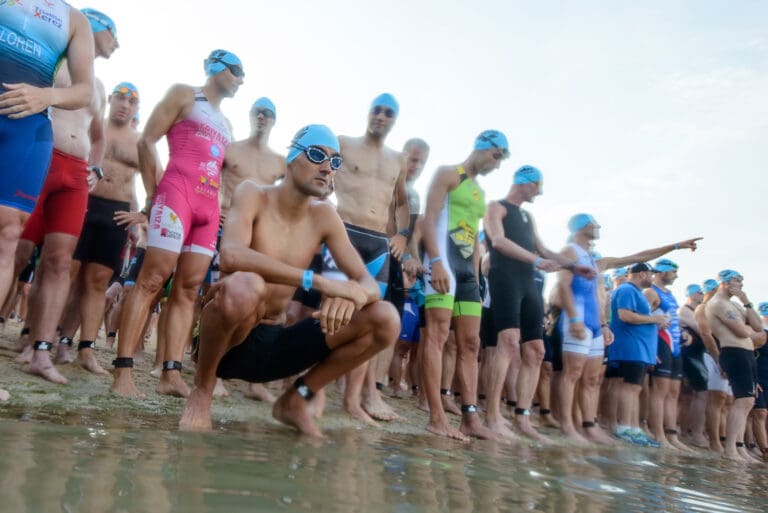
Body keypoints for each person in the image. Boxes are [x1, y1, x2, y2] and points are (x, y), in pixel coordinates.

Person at [179, 124, 400, 436]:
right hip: (227, 340)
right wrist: (321, 283)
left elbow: (367, 282)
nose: (327, 168)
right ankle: (202, 391)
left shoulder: (324, 215)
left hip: (274, 342)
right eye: (316, 155)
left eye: (335, 162)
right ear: (291, 158)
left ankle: (295, 399)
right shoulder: (253, 193)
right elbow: (231, 255)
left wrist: (354, 296)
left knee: (386, 318)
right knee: (247, 286)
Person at [111, 49, 243, 397]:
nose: (241, 79)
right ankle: (122, 373)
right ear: (215, 67)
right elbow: (146, 141)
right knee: (152, 279)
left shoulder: (227, 124)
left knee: (188, 290)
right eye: (236, 70)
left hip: (207, 207)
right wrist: (153, 194)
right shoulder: (184, 94)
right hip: (177, 193)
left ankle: (171, 375)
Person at [14, 8, 118, 384]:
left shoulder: (99, 87)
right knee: (17, 251)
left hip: (75, 173)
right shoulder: (52, 59)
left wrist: (97, 167)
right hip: (41, 158)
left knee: (59, 262)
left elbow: (99, 134)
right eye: (113, 34)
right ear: (93, 27)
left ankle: (42, 350)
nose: (116, 44)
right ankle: (20, 336)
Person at [0, 1, 97, 397]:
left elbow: (84, 90)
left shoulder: (73, 20)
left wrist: (45, 96)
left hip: (27, 128)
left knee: (7, 236)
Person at [483, 166, 597, 440]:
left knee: (535, 350)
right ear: (526, 183)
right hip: (505, 278)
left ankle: (522, 418)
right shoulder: (496, 207)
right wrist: (535, 261)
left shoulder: (527, 216)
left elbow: (544, 249)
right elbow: (498, 241)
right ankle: (492, 415)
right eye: (538, 186)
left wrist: (571, 265)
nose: (540, 192)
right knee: (509, 343)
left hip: (527, 284)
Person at [421, 130, 510, 441]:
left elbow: (473, 237)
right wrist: (434, 261)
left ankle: (470, 418)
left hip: (468, 274)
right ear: (482, 147)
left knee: (470, 344)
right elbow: (429, 220)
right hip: (442, 262)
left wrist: (476, 278)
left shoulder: (479, 193)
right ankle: (435, 417)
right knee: (437, 334)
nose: (496, 165)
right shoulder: (448, 174)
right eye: (496, 156)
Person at [328, 93, 409, 423]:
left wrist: (402, 233)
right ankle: (313, 392)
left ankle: (353, 400)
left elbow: (401, 202)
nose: (380, 116)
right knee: (329, 313)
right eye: (376, 109)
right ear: (368, 112)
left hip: (378, 243)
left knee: (368, 321)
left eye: (388, 113)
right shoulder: (343, 143)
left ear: (394, 120)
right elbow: (319, 172)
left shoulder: (397, 159)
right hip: (343, 232)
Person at [59, 81, 139, 375]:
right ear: (111, 99)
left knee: (96, 283)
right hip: (84, 203)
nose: (125, 105)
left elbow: (146, 182)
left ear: (136, 108)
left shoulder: (139, 141)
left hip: (116, 214)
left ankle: (86, 348)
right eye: (120, 98)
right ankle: (50, 338)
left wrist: (138, 217)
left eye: (131, 102)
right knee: (67, 273)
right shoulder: (95, 125)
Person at [218, 96, 284, 402]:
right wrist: (216, 204)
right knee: (218, 298)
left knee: (262, 307)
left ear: (274, 121)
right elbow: (213, 177)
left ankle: (254, 382)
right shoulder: (231, 148)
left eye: (268, 114)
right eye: (258, 112)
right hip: (226, 229)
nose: (262, 117)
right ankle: (213, 370)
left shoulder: (280, 163)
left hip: (262, 239)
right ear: (250, 115)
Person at [705, 270, 766, 461]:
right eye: (738, 281)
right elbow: (741, 331)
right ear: (725, 282)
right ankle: (730, 449)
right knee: (742, 401)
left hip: (747, 354)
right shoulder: (717, 304)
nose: (741, 285)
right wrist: (752, 333)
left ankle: (738, 449)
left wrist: (746, 301)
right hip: (734, 353)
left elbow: (756, 327)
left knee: (747, 401)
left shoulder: (736, 305)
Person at [609, 263, 669, 447]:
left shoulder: (634, 291)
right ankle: (624, 427)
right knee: (630, 387)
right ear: (642, 274)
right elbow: (624, 315)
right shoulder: (627, 290)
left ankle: (632, 428)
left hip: (640, 348)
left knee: (635, 388)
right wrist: (654, 319)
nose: (652, 278)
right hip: (631, 347)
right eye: (651, 274)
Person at [644, 258, 689, 450]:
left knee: (673, 393)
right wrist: (650, 349)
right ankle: (658, 434)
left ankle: (672, 435)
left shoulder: (670, 293)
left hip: (675, 346)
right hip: (661, 343)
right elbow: (643, 319)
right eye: (673, 272)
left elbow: (670, 318)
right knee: (659, 391)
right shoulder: (650, 292)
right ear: (662, 272)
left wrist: (683, 331)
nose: (676, 276)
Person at [678, 284, 710, 447]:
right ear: (691, 294)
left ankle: (686, 431)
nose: (702, 294)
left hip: (697, 354)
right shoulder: (685, 310)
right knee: (700, 393)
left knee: (690, 396)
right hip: (689, 355)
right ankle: (695, 433)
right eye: (699, 292)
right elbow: (701, 329)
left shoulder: (697, 311)